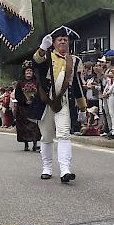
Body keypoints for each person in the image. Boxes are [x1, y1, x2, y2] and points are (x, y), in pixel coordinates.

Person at [32, 26, 86, 183]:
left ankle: (65, 170)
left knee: (63, 134)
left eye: (65, 40)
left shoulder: (74, 60)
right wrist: (42, 48)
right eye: (59, 40)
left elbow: (76, 85)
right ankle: (47, 168)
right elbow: (35, 62)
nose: (63, 42)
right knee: (47, 136)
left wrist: (82, 107)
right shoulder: (46, 56)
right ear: (53, 43)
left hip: (63, 102)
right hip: (46, 101)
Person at [14, 60, 41, 151]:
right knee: (23, 126)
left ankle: (35, 143)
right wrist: (24, 101)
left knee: (34, 126)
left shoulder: (37, 82)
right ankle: (26, 144)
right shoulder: (20, 83)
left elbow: (40, 93)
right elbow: (17, 95)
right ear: (24, 73)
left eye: (30, 71)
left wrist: (34, 100)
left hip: (34, 107)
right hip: (23, 108)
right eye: (27, 71)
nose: (29, 73)